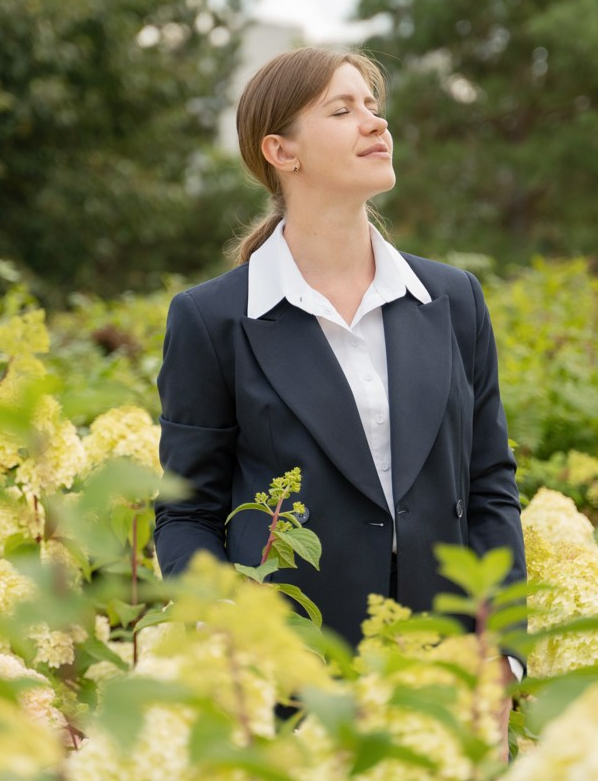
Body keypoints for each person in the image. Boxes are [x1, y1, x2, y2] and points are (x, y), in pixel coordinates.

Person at [152, 46, 527, 709]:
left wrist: (502, 652)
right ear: (281, 151)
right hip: (291, 691)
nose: (374, 124)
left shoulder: (453, 300)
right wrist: (248, 646)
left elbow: (490, 485)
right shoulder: (212, 320)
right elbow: (188, 515)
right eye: (342, 109)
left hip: (445, 685)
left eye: (374, 109)